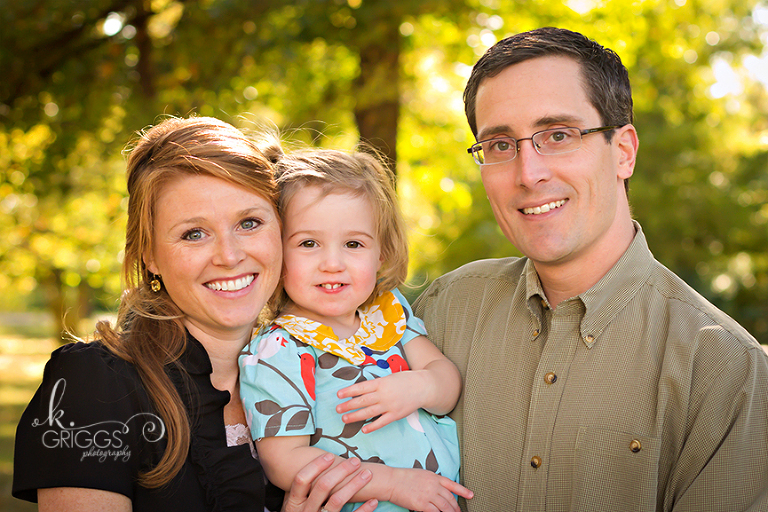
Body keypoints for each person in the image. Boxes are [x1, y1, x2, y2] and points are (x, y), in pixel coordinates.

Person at [412, 27, 768, 511]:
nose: (528, 173)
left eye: (558, 135)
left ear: (623, 152)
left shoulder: (725, 368)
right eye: (499, 145)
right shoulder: (441, 312)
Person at [13, 116, 379, 512]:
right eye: (194, 233)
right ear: (149, 255)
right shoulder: (93, 387)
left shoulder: (331, 367)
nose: (229, 255)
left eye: (249, 223)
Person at [239, 147, 472, 511]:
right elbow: (283, 462)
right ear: (276, 250)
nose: (332, 263)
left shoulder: (388, 316)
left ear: (381, 252)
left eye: (353, 244)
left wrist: (422, 385)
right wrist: (393, 484)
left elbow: (446, 381)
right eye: (308, 243)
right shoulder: (279, 349)